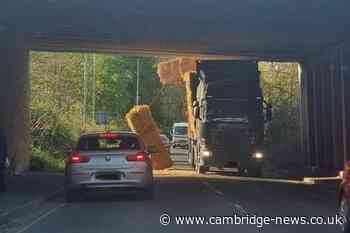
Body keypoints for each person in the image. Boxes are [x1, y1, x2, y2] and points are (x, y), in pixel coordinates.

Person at [0, 128, 8, 192]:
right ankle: (2, 188)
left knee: (2, 173)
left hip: (2, 157)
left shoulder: (2, 132)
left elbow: (5, 146)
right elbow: (5, 146)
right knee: (2, 173)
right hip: (2, 157)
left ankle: (2, 187)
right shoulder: (2, 132)